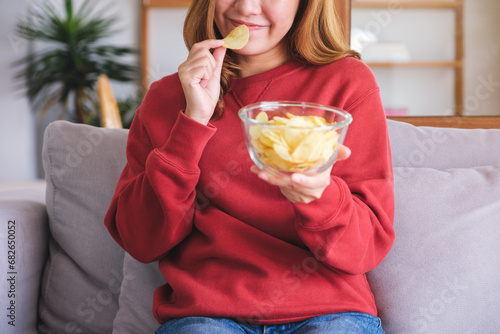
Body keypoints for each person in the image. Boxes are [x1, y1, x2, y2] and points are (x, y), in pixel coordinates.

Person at [104, 0, 395, 333]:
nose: (245, 7)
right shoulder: (167, 97)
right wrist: (192, 120)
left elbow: (368, 246)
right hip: (207, 316)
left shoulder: (347, 82)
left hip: (331, 312)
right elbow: (141, 241)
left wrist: (320, 198)